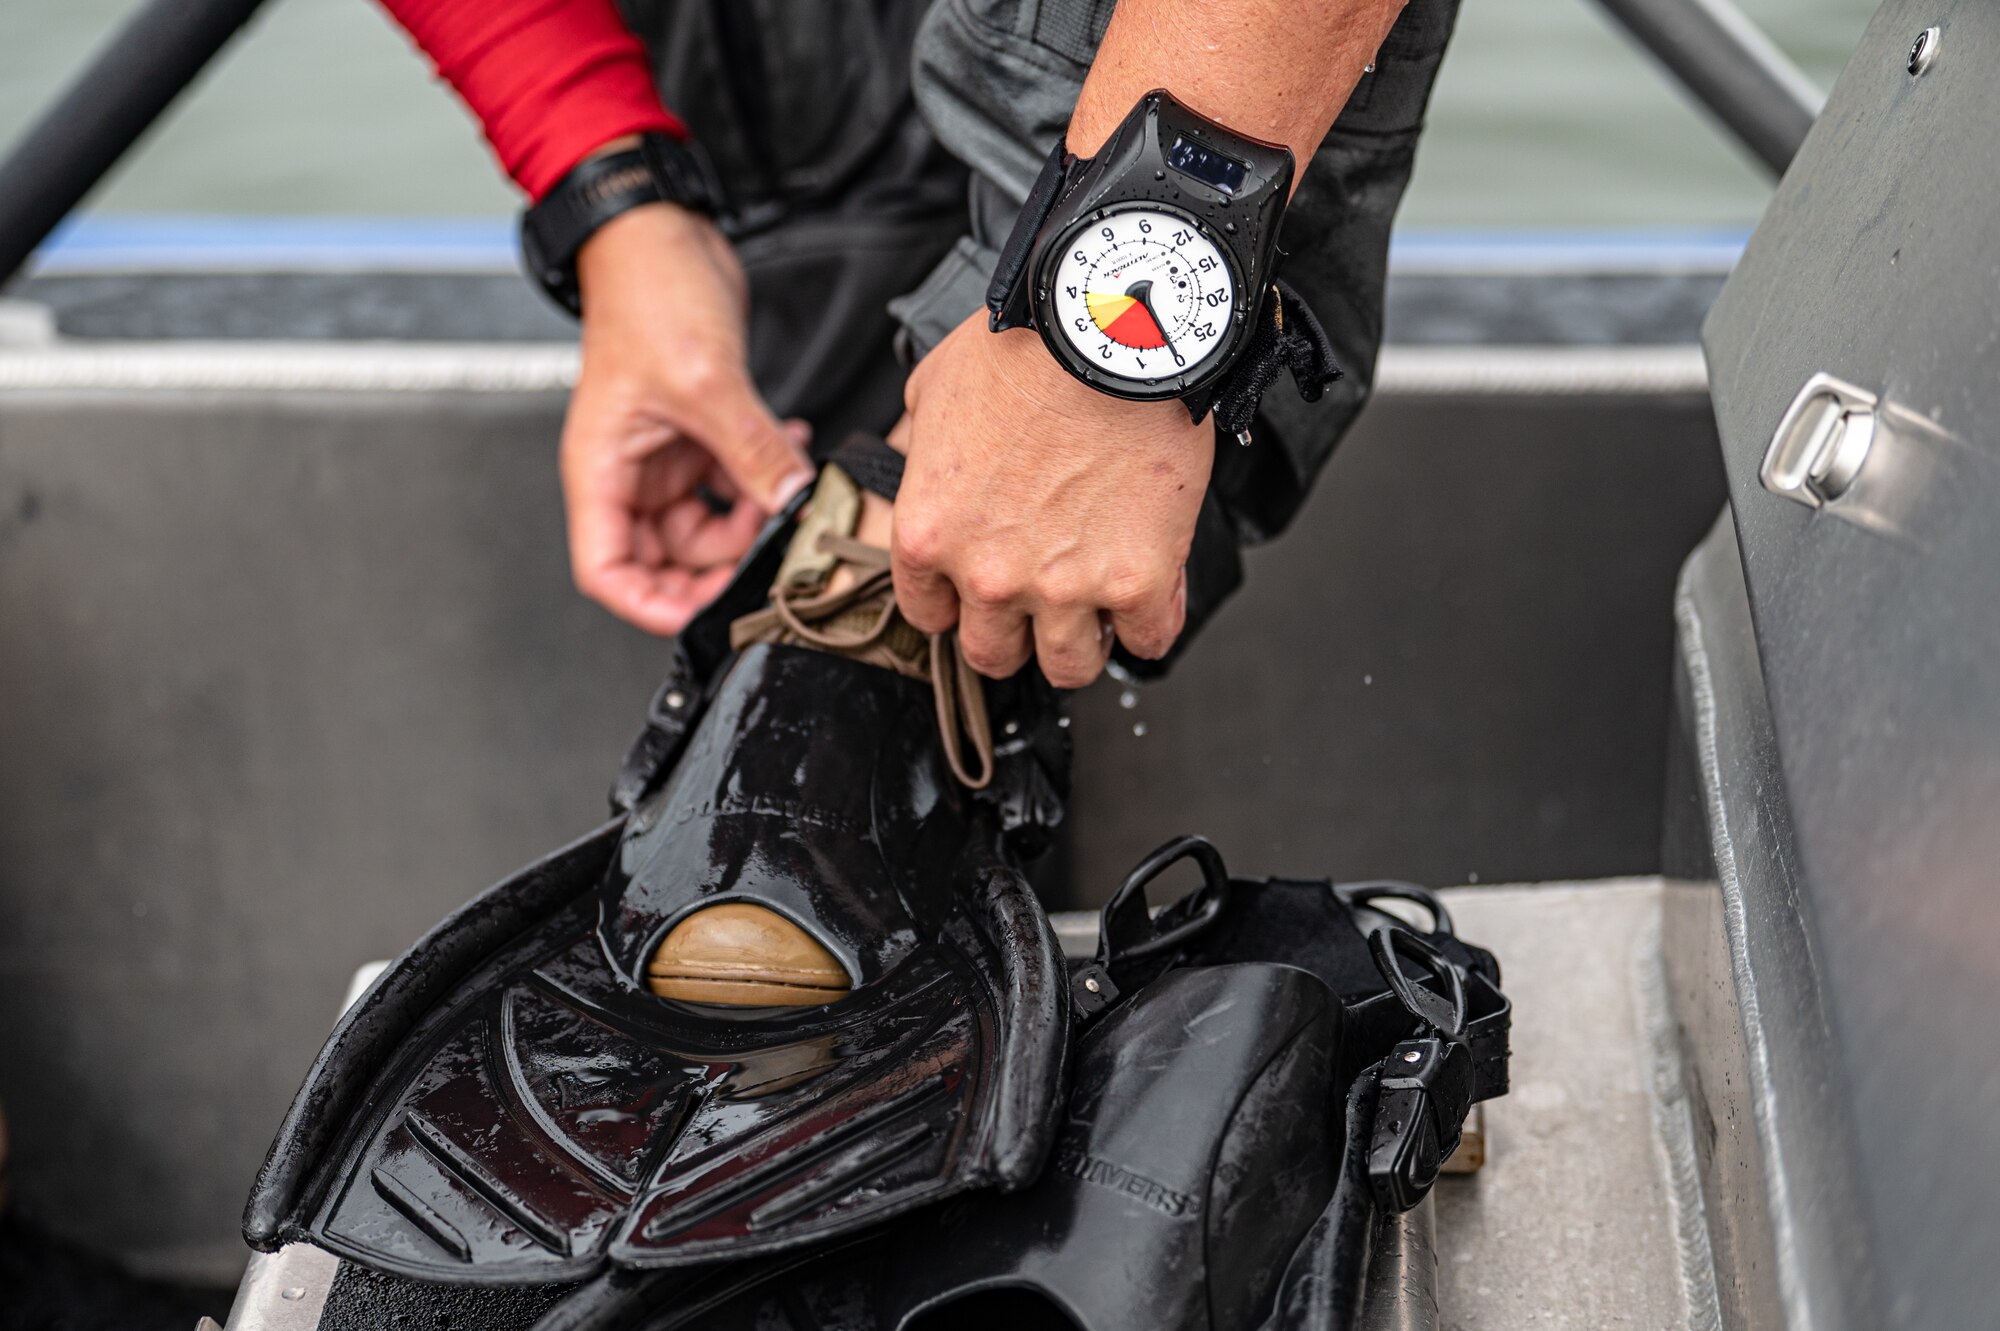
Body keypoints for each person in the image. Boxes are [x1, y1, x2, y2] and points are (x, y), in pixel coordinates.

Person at [374, 0, 1456, 690]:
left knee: (1013, 600)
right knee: (871, 603)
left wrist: (1093, 365)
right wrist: (606, 180)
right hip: (747, 78)